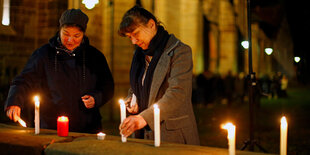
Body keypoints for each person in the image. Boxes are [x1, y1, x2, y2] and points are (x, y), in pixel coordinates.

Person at [4, 9, 114, 133]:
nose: (70, 40)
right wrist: (14, 101)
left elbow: (107, 86)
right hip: (50, 126)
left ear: (83, 34)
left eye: (76, 36)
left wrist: (96, 98)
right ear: (59, 30)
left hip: (87, 127)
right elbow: (24, 80)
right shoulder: (43, 54)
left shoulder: (95, 56)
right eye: (66, 34)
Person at [118, 6, 199, 145]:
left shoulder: (180, 51)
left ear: (151, 24)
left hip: (172, 135)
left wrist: (143, 118)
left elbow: (178, 93)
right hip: (143, 135)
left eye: (135, 33)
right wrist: (132, 100)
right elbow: (137, 86)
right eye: (129, 37)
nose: (133, 41)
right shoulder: (139, 55)